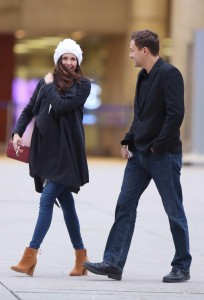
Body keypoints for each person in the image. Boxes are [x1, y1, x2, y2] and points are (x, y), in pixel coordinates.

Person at [84, 29, 192, 282]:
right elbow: (140, 116)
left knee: (174, 211)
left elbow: (175, 114)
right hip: (139, 157)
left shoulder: (170, 74)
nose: (130, 54)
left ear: (145, 50)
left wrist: (158, 146)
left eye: (132, 50)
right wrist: (128, 140)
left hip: (163, 156)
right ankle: (113, 262)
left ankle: (182, 266)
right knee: (124, 206)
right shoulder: (142, 77)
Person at [10, 38, 91, 277]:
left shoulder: (83, 85)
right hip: (46, 151)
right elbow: (29, 109)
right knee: (66, 204)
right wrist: (17, 131)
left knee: (47, 199)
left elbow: (61, 106)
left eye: (73, 58)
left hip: (67, 153)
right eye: (64, 58)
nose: (68, 62)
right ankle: (81, 258)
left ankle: (30, 256)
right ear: (58, 60)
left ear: (78, 63)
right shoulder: (45, 82)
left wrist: (48, 86)